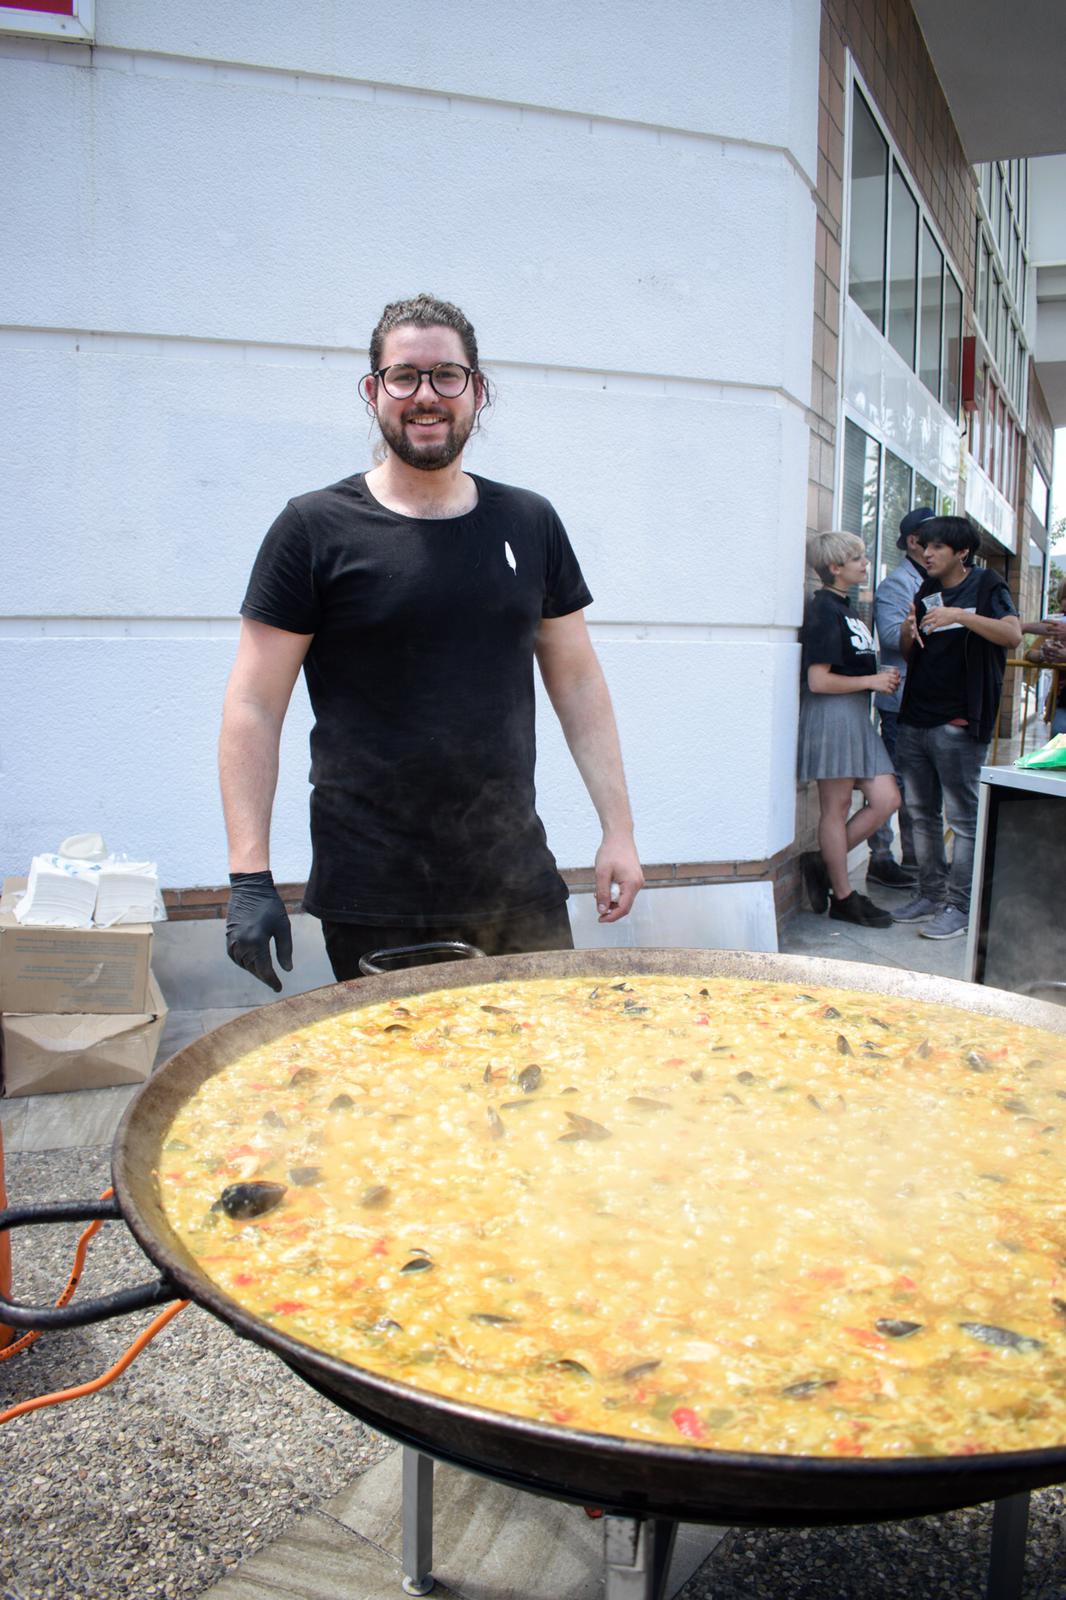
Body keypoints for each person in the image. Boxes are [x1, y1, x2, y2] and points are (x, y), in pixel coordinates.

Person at [220, 293, 643, 990]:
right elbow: (253, 706)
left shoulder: (531, 522)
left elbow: (578, 682)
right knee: (400, 1090)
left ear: (478, 391)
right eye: (404, 376)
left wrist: (618, 831)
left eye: (447, 375)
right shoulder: (311, 530)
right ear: (373, 391)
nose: (426, 395)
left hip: (515, 879)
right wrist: (248, 875)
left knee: (546, 1075)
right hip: (373, 892)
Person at [893, 516, 1022, 941]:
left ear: (961, 552)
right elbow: (914, 654)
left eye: (936, 548)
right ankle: (929, 894)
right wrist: (909, 632)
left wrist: (960, 616)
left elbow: (1011, 635)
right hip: (915, 718)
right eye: (924, 547)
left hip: (959, 722)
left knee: (963, 820)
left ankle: (959, 905)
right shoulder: (926, 590)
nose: (926, 554)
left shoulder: (986, 585)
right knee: (920, 814)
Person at [797, 531, 901, 928]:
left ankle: (825, 863)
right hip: (832, 714)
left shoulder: (846, 607)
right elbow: (818, 681)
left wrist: (875, 680)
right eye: (857, 558)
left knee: (887, 798)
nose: (865, 563)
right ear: (835, 567)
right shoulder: (824, 609)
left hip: (854, 715)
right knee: (836, 808)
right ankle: (843, 895)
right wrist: (872, 682)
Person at [865, 505, 936, 888]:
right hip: (900, 703)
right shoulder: (897, 583)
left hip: (925, 702)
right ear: (913, 541)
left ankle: (913, 860)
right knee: (900, 787)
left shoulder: (934, 580)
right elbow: (893, 637)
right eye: (933, 537)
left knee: (920, 788)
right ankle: (884, 859)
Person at [1023, 577, 1066, 738]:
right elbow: (1030, 653)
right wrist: (1045, 653)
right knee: (1059, 734)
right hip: (1063, 699)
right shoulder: (1058, 626)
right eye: (1064, 597)